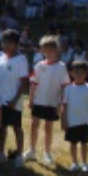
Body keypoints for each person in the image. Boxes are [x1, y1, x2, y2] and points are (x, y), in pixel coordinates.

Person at [28, 35, 69, 166]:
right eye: (45, 51)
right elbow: (33, 83)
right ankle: (32, 150)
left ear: (57, 50)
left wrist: (61, 103)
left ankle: (47, 152)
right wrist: (31, 99)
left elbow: (64, 86)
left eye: (51, 50)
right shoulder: (39, 65)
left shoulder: (61, 67)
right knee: (34, 125)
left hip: (53, 102)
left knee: (48, 127)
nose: (48, 54)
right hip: (38, 101)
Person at [0, 29, 31, 166]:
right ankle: (0, 153)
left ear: (17, 44)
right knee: (1, 127)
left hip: (14, 102)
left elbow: (24, 83)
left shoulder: (21, 60)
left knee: (17, 127)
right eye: (5, 42)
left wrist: (14, 100)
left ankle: (19, 154)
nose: (7, 45)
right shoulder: (1, 58)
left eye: (10, 43)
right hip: (1, 100)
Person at [60, 60, 88, 172]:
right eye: (76, 73)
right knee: (73, 143)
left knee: (84, 143)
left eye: (82, 73)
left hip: (84, 121)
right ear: (71, 73)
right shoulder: (68, 89)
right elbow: (64, 106)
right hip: (72, 122)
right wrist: (64, 121)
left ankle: (85, 162)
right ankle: (75, 162)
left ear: (86, 74)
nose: (79, 75)